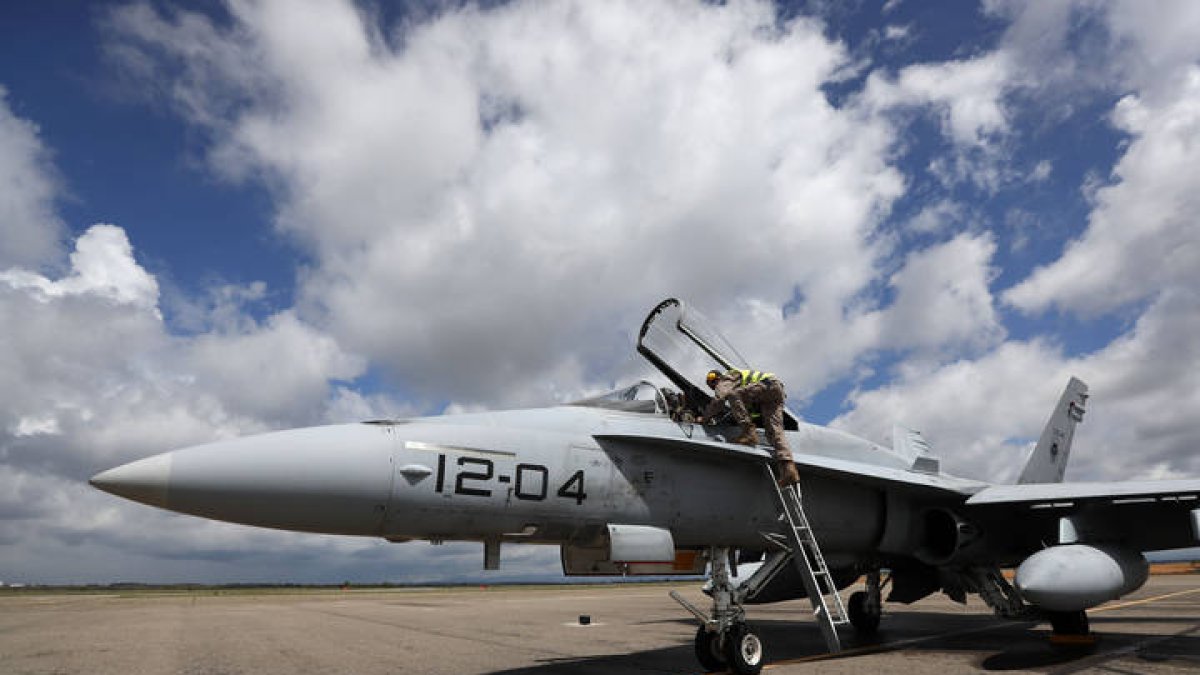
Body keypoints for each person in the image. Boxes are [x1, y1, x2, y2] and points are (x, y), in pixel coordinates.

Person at [701, 368, 800, 487]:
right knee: (774, 431)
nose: (712, 386)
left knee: (733, 394)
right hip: (776, 391)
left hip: (767, 385)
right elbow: (745, 410)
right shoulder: (745, 392)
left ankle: (748, 433)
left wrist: (704, 418)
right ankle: (789, 468)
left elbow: (720, 399)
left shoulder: (727, 377)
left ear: (717, 378)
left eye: (711, 382)